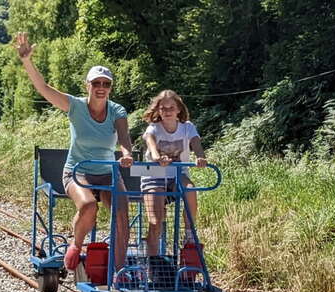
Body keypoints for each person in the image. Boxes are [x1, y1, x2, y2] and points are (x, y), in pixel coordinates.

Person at [14, 32, 133, 274]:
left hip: (108, 173)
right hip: (77, 173)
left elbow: (124, 136)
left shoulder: (116, 110)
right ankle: (75, 245)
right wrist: (27, 61)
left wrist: (126, 153)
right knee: (89, 206)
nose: (101, 88)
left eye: (106, 84)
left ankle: (119, 271)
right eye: (96, 83)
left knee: (121, 213)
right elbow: (43, 88)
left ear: (110, 88)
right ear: (87, 85)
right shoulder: (75, 106)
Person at [140, 90, 207, 257]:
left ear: (179, 110)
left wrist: (200, 157)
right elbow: (150, 142)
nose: (167, 111)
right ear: (158, 111)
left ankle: (190, 233)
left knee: (190, 189)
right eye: (163, 108)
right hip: (154, 174)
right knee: (156, 222)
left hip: (177, 173)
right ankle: (153, 264)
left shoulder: (187, 127)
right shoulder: (153, 128)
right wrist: (157, 157)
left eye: (171, 107)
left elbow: (196, 144)